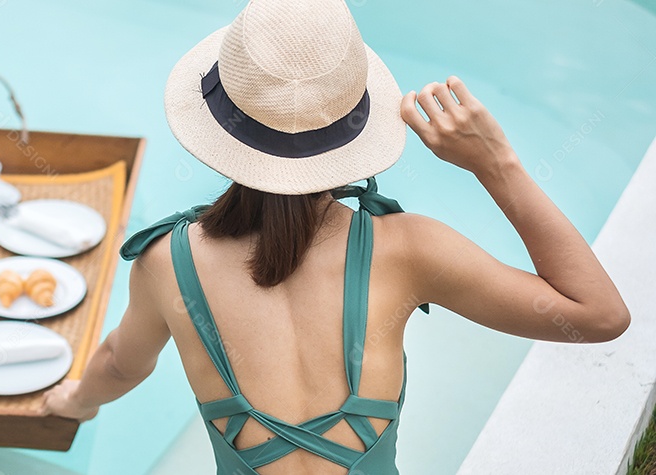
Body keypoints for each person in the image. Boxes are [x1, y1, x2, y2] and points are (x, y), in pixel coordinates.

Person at [41, 0, 630, 473]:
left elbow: (120, 363)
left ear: (221, 125)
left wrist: (73, 404)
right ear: (355, 123)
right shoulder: (409, 250)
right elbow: (597, 314)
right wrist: (496, 163)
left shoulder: (169, 263)